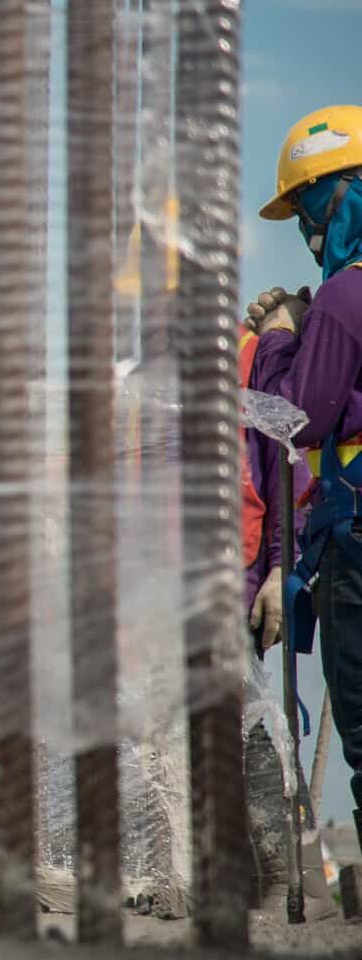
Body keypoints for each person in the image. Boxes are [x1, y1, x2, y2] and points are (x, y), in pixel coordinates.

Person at [247, 103, 362, 862]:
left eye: (310, 211)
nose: (309, 234)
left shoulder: (346, 296)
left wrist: (281, 333)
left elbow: (295, 417)